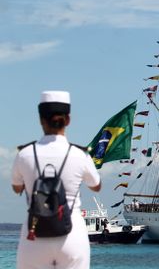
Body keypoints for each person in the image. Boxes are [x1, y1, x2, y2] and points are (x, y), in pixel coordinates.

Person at [11, 91, 101, 269]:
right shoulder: (80, 154)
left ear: (41, 120)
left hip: (34, 234)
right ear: (68, 120)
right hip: (72, 236)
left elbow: (16, 187)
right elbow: (96, 186)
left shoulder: (25, 154)